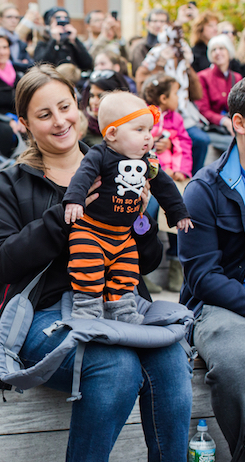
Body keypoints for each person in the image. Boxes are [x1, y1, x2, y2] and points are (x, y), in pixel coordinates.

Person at [0, 63, 193, 461]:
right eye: (44, 115)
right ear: (24, 123)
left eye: (65, 107)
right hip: (42, 316)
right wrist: (64, 214)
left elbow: (148, 262)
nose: (60, 122)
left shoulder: (122, 163)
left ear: (79, 106)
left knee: (171, 357)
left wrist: (142, 217)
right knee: (116, 367)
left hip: (117, 303)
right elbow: (2, 261)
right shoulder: (10, 183)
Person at [63, 91, 192, 322]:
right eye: (139, 130)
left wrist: (178, 212)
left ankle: (123, 311)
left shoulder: (146, 160)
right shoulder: (98, 155)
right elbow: (82, 176)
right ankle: (87, 309)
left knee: (126, 272)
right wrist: (75, 200)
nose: (148, 137)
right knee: (86, 268)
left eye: (149, 131)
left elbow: (165, 186)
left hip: (123, 236)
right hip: (91, 231)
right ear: (112, 133)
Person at [179, 74, 245, 462]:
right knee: (240, 359)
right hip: (220, 306)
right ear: (239, 124)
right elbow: (202, 277)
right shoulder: (203, 189)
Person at [136, 24, 210, 175]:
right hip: (160, 110)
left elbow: (195, 92)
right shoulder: (156, 54)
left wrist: (187, 66)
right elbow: (142, 79)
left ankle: (192, 176)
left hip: (181, 113)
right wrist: (161, 63)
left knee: (201, 140)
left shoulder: (185, 53)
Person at [142, 73, 193, 292]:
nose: (179, 98)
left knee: (182, 208)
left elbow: (185, 143)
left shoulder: (177, 119)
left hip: (176, 176)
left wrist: (181, 169)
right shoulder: (146, 117)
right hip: (152, 177)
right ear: (163, 98)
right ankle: (141, 271)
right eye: (175, 94)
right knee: (150, 211)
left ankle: (174, 265)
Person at [196, 34, 242, 152]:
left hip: (234, 126)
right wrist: (224, 121)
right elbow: (203, 110)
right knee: (235, 146)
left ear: (229, 51)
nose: (217, 52)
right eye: (214, 50)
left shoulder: (236, 77)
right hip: (213, 129)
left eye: (221, 48)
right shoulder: (202, 77)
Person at [33, 7, 92, 72]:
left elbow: (87, 64)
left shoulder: (71, 43)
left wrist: (75, 41)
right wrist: (54, 41)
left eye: (65, 18)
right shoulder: (43, 43)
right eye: (58, 18)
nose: (62, 20)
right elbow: (41, 65)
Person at [80, 69, 129, 146]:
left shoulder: (130, 124)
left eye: (101, 96)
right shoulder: (82, 127)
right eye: (92, 96)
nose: (94, 102)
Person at [0, 3, 32, 70]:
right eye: (9, 17)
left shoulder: (19, 41)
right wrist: (20, 64)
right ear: (0, 19)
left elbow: (30, 64)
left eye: (16, 17)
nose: (13, 21)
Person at [129, 8, 169, 72]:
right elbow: (140, 74)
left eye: (162, 21)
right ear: (147, 23)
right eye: (155, 21)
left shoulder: (171, 46)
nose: (158, 25)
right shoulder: (140, 47)